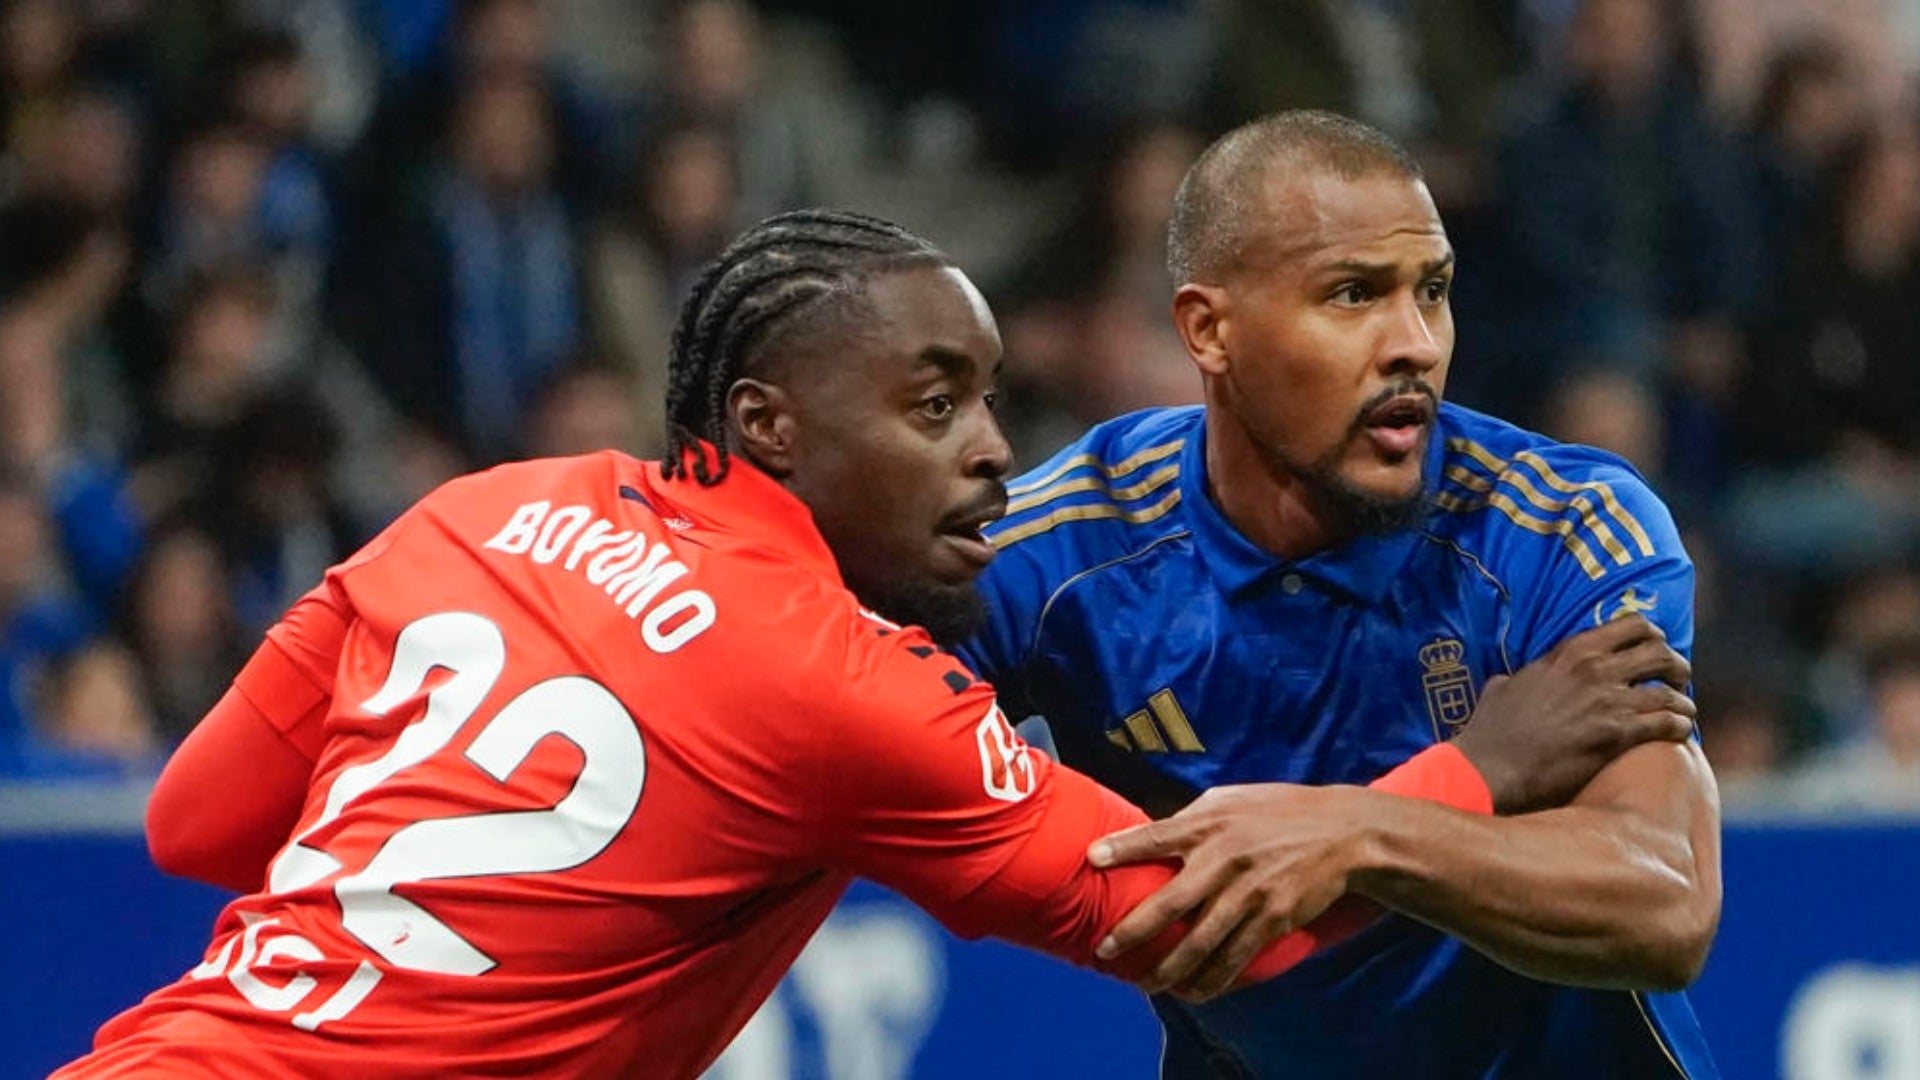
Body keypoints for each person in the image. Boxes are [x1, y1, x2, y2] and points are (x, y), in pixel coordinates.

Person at [54, 210, 1690, 1080]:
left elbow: (195, 827)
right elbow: (1219, 935)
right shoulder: (842, 681)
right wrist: (1469, 780)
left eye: (988, 401)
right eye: (933, 406)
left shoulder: (477, 512)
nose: (993, 452)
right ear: (767, 422)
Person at [959, 111, 1724, 1077]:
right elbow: (836, 716)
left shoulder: (1565, 528)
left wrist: (1354, 832)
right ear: (1209, 329)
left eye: (1433, 292)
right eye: (1354, 294)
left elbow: (1666, 903)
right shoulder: (1065, 552)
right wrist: (1466, 783)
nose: (1414, 344)